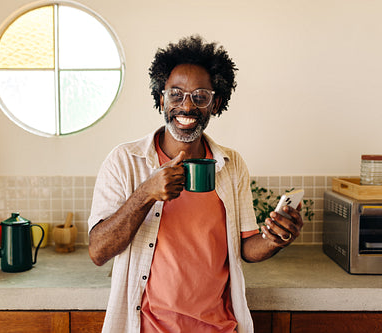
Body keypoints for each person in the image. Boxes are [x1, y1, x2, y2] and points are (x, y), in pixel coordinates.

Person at [88, 35, 304, 333]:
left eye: (200, 96)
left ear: (215, 103)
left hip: (219, 327)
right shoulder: (125, 161)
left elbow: (247, 247)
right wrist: (147, 193)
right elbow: (98, 251)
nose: (186, 106)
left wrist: (275, 237)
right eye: (176, 94)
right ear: (161, 98)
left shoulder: (232, 164)